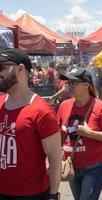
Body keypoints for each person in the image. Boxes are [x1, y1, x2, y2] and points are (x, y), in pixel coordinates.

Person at [0, 48, 61, 200]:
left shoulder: (42, 112)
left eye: (1, 67)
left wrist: (53, 195)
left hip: (31, 194)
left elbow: (54, 158)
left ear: (20, 69)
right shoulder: (0, 103)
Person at [57, 67, 102, 200]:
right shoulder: (64, 105)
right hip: (71, 165)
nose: (69, 85)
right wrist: (59, 150)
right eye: (68, 82)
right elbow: (58, 134)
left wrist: (89, 133)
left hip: (94, 167)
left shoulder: (100, 107)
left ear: (86, 85)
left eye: (73, 82)